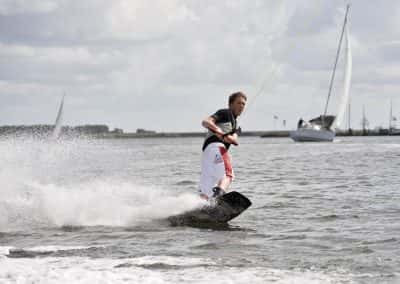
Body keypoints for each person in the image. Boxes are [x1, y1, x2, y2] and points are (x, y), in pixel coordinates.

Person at [199, 91, 247, 200]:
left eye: (243, 104)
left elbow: (235, 141)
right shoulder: (225, 113)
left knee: (207, 185)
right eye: (239, 103)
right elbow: (205, 122)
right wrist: (220, 132)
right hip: (217, 147)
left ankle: (200, 206)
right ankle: (218, 200)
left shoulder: (235, 124)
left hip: (207, 153)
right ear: (230, 104)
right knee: (228, 175)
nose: (242, 106)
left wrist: (234, 134)